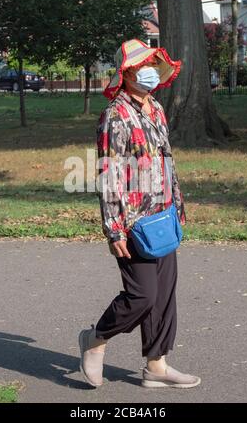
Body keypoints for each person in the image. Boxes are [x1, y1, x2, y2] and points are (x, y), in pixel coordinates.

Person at [78, 38, 201, 389]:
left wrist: (177, 204)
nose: (148, 71)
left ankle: (157, 365)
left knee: (163, 294)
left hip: (163, 216)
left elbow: (167, 161)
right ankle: (95, 339)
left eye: (151, 63)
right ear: (126, 73)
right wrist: (114, 229)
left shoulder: (156, 109)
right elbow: (108, 173)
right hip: (132, 222)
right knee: (142, 294)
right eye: (140, 66)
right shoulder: (115, 116)